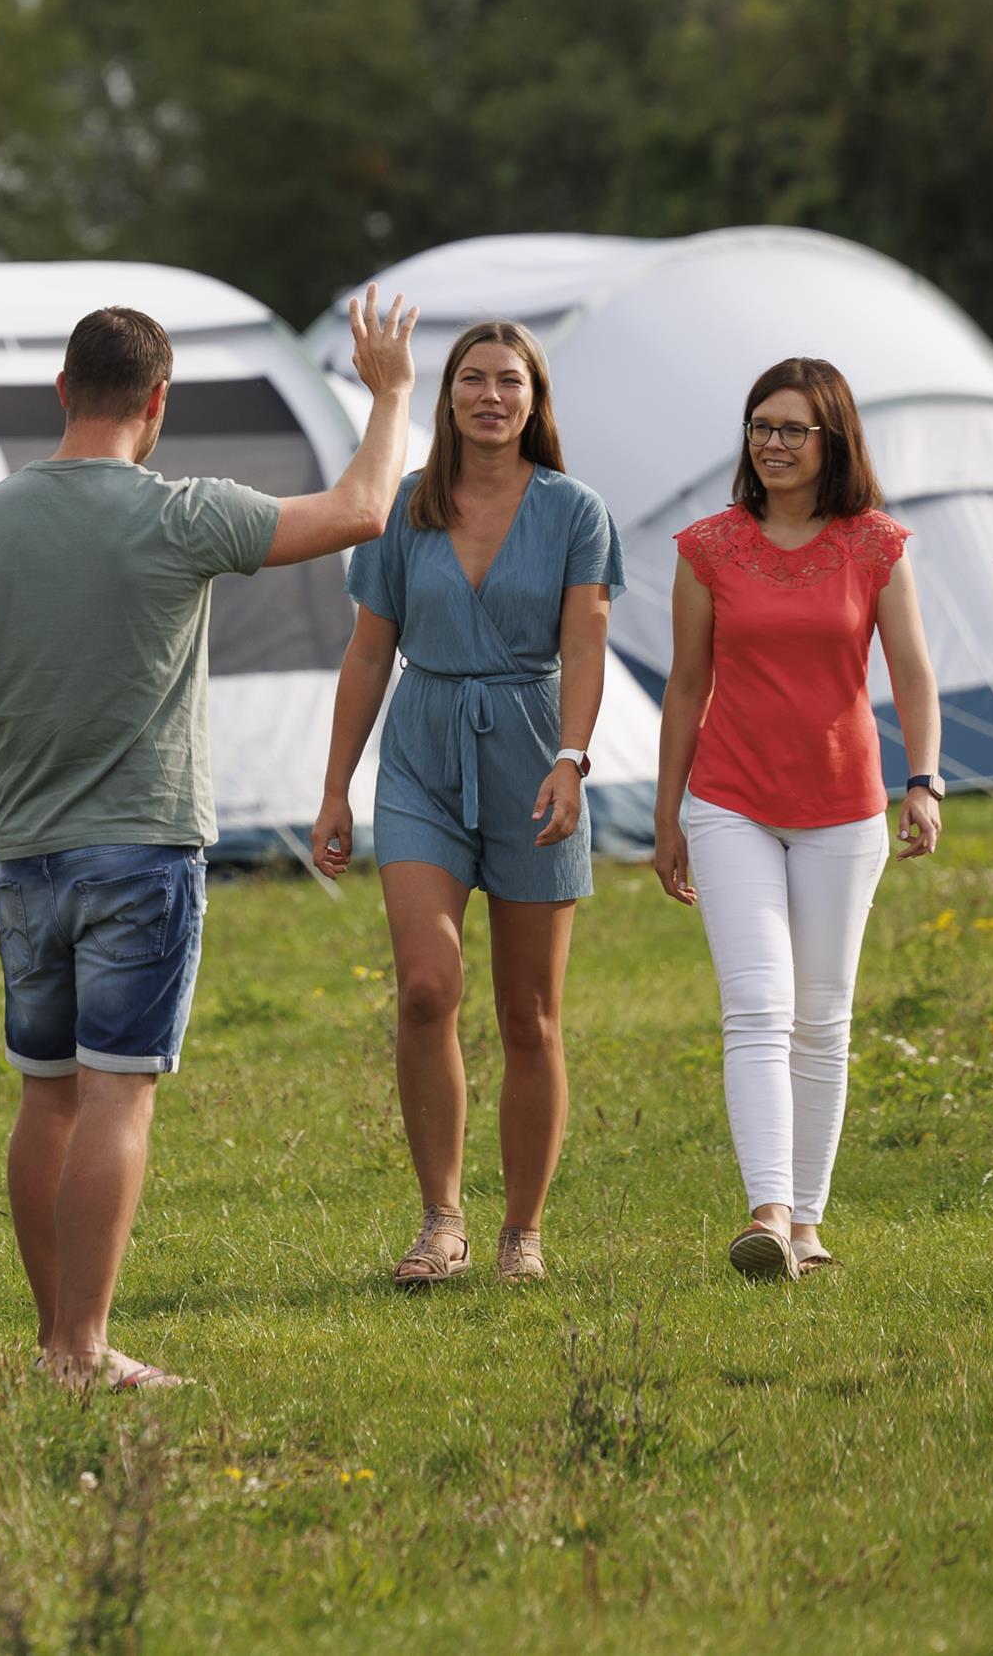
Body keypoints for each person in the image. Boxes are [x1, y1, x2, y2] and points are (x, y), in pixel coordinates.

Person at [0, 290, 419, 1390]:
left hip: (28, 856)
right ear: (156, 404)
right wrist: (389, 395)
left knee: (43, 1092)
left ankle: (54, 1341)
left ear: (61, 392)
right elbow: (360, 510)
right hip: (141, 853)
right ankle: (81, 1350)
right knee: (115, 1094)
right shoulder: (181, 513)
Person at [308, 320, 620, 1290]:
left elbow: (585, 646)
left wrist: (571, 760)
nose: (491, 396)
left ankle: (520, 1231)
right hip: (421, 755)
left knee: (529, 1014)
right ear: (444, 397)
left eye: (509, 382)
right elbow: (367, 653)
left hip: (533, 757)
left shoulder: (574, 511)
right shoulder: (408, 507)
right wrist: (333, 790)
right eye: (472, 380)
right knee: (424, 988)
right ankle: (440, 1219)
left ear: (535, 399)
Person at [652, 357, 946, 1282]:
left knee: (822, 1020)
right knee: (758, 1008)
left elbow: (913, 675)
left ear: (833, 441)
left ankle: (808, 1224)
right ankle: (767, 1212)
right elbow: (687, 686)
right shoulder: (706, 548)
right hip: (730, 800)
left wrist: (925, 781)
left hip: (843, 808)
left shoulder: (876, 545)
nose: (773, 444)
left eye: (792, 430)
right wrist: (669, 817)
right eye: (760, 427)